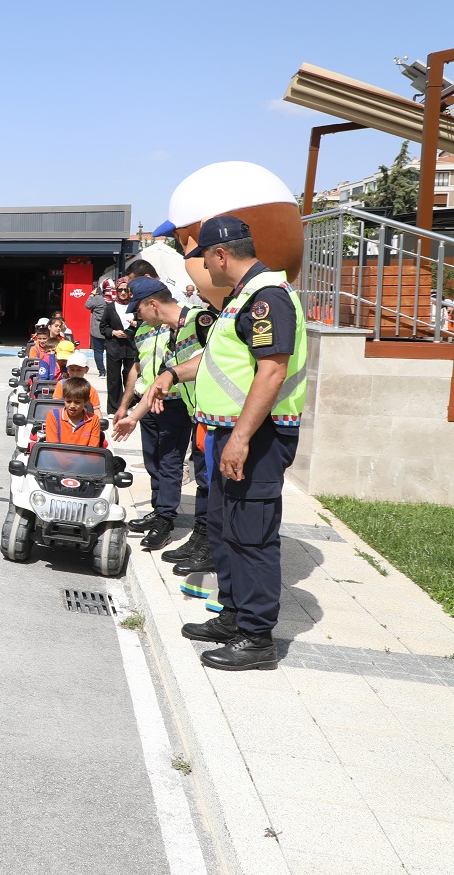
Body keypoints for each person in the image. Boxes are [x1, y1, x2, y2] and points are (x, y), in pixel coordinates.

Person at [119, 215, 306, 672]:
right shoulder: (239, 299)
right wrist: (171, 373)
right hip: (227, 434)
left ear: (221, 255)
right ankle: (234, 615)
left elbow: (272, 370)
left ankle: (257, 637)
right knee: (224, 529)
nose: (201, 267)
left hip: (257, 437)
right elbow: (215, 359)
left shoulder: (268, 299)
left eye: (203, 257)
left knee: (252, 537)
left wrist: (241, 438)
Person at [111, 276, 214, 555]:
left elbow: (211, 360)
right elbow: (139, 367)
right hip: (149, 402)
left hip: (180, 404)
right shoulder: (146, 328)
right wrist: (127, 405)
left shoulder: (197, 320)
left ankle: (167, 520)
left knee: (171, 463)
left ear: (153, 304)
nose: (135, 314)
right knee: (153, 461)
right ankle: (159, 511)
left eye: (138, 308)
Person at [98, 277, 138, 416]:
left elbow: (144, 323)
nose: (123, 293)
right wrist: (113, 332)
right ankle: (113, 408)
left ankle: (129, 405)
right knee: (114, 379)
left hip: (131, 347)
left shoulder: (136, 306)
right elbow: (103, 327)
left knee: (130, 377)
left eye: (125, 290)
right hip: (114, 347)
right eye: (120, 289)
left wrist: (135, 325)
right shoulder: (110, 308)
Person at [43, 378, 107, 447]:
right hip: (56, 457)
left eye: (77, 402)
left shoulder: (93, 420)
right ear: (64, 399)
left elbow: (92, 448)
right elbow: (52, 446)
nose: (72, 406)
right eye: (68, 401)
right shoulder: (53, 416)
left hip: (85, 457)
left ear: (86, 401)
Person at [85, 279, 113, 378]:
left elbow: (87, 305)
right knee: (111, 352)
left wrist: (92, 294)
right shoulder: (114, 299)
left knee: (98, 351)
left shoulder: (98, 299)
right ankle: (112, 371)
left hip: (97, 330)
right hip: (110, 330)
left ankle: (102, 371)